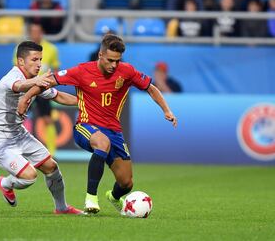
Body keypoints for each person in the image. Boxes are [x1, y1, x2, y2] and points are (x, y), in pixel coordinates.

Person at [18, 34, 178, 215]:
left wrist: (166, 110)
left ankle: (115, 197)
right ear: (100, 55)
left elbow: (150, 87)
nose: (114, 65)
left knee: (126, 183)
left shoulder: (127, 71)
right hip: (85, 126)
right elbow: (47, 82)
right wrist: (25, 97)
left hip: (114, 131)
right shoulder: (81, 71)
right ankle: (91, 197)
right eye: (110, 60)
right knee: (102, 143)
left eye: (117, 61)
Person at [0, 41, 82, 214]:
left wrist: (87, 103)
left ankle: (62, 208)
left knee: (51, 167)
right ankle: (5, 183)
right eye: (34, 60)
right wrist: (37, 80)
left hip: (19, 134)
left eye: (41, 60)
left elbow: (59, 97)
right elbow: (18, 86)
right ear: (21, 62)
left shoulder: (35, 80)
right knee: (29, 177)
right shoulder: (11, 78)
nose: (39, 64)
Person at [13, 23, 60, 156]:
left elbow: (55, 68)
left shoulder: (51, 49)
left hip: (42, 88)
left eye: (38, 31)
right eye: (33, 32)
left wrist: (51, 84)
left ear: (42, 33)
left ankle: (52, 151)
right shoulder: (20, 49)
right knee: (20, 117)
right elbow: (16, 68)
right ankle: (17, 149)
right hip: (26, 88)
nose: (35, 34)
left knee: (47, 119)